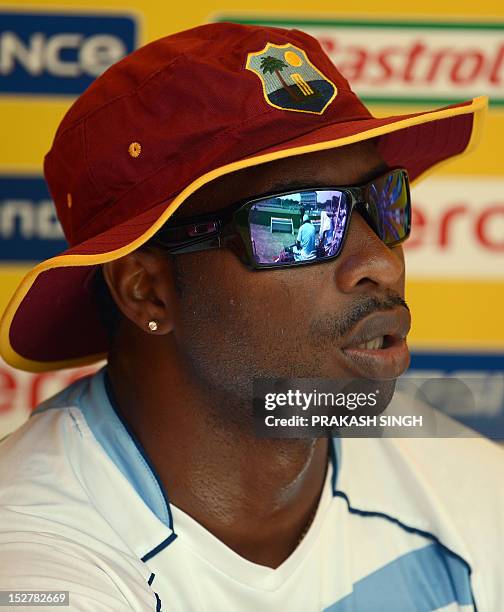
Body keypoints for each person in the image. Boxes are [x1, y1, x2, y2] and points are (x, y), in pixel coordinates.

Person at [0, 22, 502, 612]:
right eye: (298, 220)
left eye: (383, 203)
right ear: (146, 292)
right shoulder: (36, 563)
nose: (379, 263)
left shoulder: (469, 490)